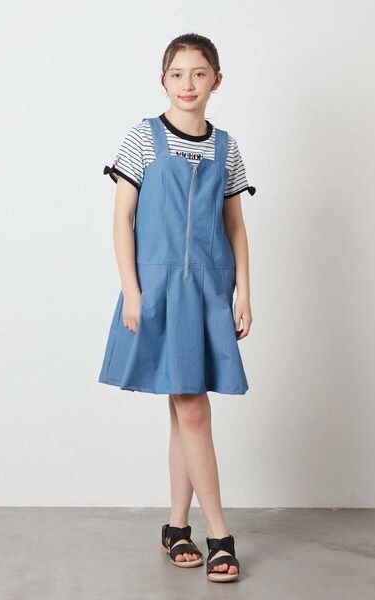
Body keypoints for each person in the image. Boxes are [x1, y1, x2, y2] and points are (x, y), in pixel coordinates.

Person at [98, 32, 256, 583]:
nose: (188, 84)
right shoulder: (143, 139)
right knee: (191, 407)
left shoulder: (227, 148)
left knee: (184, 409)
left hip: (208, 291)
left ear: (217, 80)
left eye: (199, 73)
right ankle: (219, 534)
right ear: (162, 80)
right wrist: (132, 290)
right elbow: (122, 218)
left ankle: (176, 527)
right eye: (177, 74)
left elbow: (235, 226)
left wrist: (244, 292)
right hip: (159, 290)